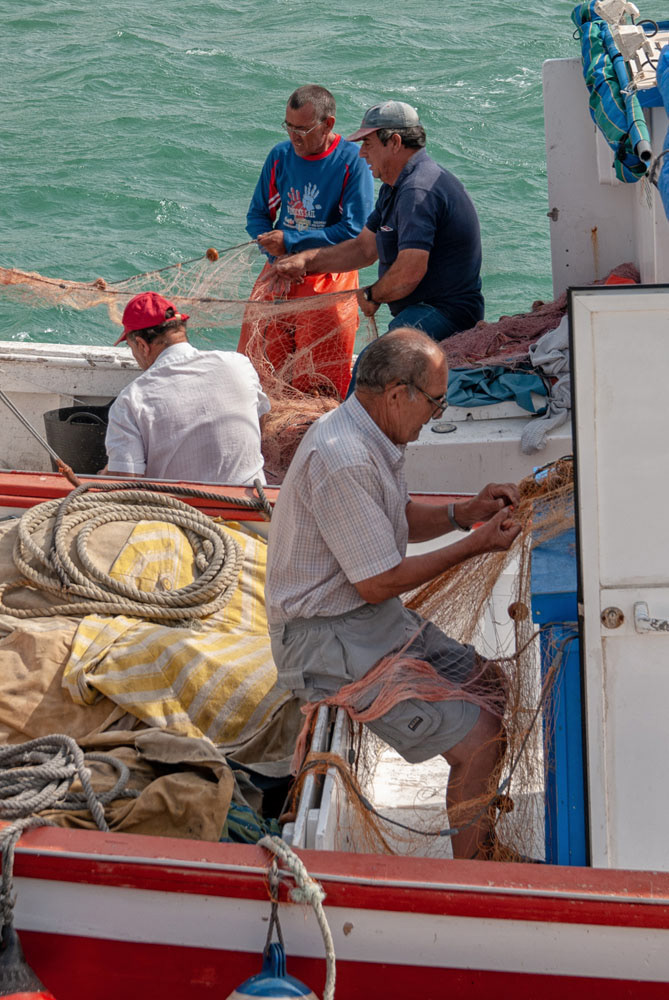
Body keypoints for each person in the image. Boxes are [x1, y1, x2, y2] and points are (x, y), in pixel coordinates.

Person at [265, 326, 521, 860]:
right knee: (479, 736)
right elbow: (379, 579)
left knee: (491, 685)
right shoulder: (343, 457)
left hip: (370, 616)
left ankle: (481, 842)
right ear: (399, 394)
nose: (438, 414)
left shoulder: (372, 435)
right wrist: (476, 545)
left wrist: (464, 513)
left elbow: (396, 517)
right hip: (324, 640)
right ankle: (474, 877)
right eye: (436, 401)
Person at [273, 99, 484, 391]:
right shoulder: (395, 188)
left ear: (394, 142)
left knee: (371, 367)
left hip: (445, 313)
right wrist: (306, 262)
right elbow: (363, 249)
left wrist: (373, 294)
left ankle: (353, 422)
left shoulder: (417, 191)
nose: (362, 153)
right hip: (422, 309)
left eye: (368, 144)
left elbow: (410, 270)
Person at [237, 84, 374, 399]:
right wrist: (277, 258)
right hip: (280, 273)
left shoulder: (353, 161)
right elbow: (257, 217)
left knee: (319, 382)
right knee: (260, 371)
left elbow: (355, 230)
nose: (294, 137)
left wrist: (292, 242)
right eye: (289, 127)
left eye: (303, 129)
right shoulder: (280, 156)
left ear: (328, 124)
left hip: (329, 279)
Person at [106, 291, 270, 485]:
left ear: (142, 345)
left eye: (131, 347)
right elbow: (259, 421)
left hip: (179, 504)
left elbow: (126, 483)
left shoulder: (131, 400)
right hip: (254, 500)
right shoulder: (239, 364)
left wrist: (104, 475)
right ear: (179, 329)